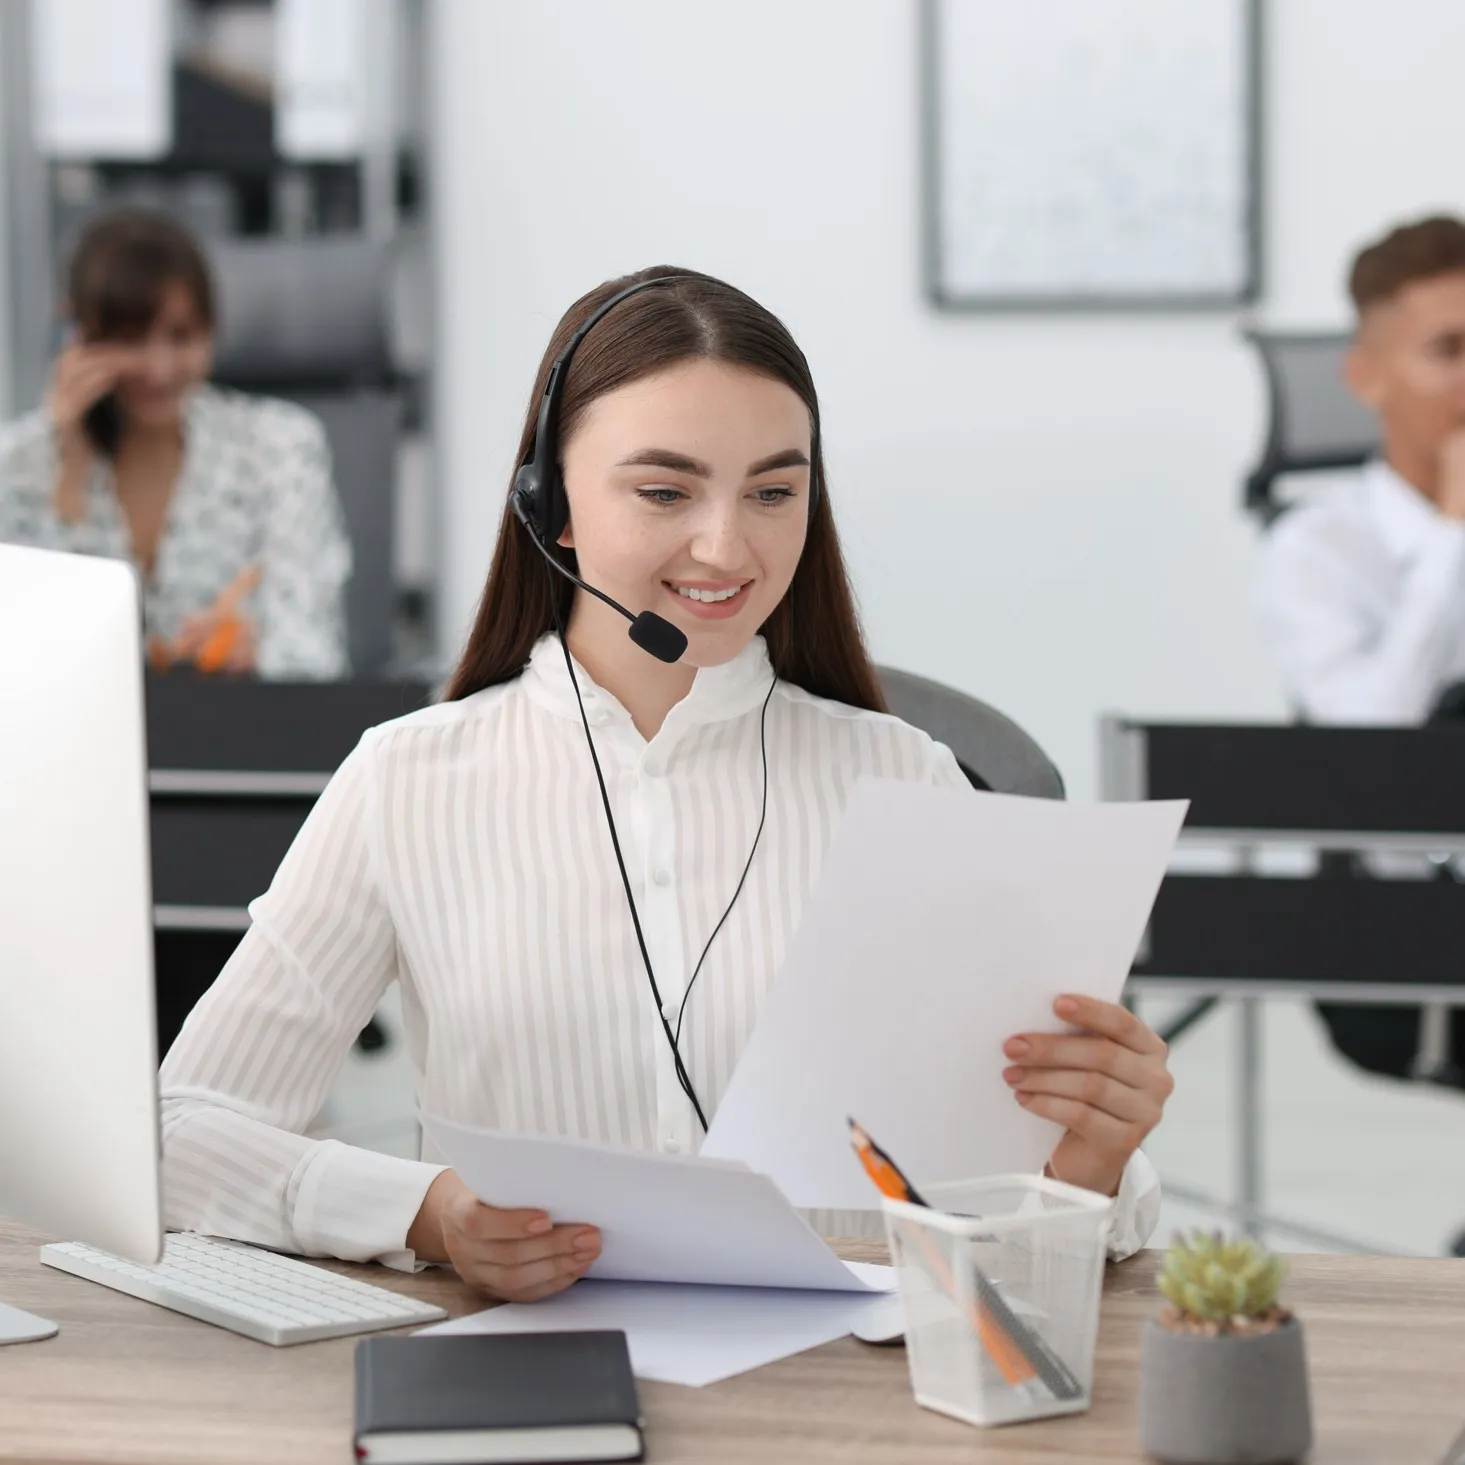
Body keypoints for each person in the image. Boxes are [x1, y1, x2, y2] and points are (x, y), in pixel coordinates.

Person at [159, 266, 1172, 1302]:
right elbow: (182, 1130)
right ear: (550, 504)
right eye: (664, 491)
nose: (727, 547)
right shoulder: (408, 780)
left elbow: (1026, 1224)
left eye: (774, 491)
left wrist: (1087, 1161)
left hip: (840, 1398)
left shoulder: (902, 779)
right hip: (540, 1388)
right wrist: (428, 1212)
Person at [1258, 217, 1465, 1113]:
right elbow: (1370, 761)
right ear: (1364, 376)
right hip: (1404, 932)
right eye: (1449, 349)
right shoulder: (1315, 548)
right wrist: (1454, 540)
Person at [0, 210, 351, 679]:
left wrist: (256, 650)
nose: (159, 368)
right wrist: (67, 464)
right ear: (79, 337)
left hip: (235, 730)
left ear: (211, 328)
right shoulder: (19, 462)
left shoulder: (280, 446)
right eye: (129, 339)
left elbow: (316, 655)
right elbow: (25, 654)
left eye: (181, 336)